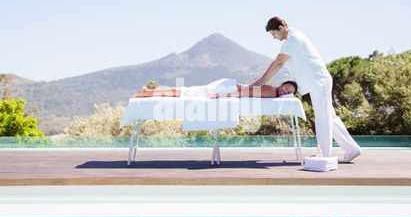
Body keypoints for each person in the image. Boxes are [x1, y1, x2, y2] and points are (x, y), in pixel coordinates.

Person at [249, 17, 362, 163]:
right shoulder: (287, 42)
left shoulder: (295, 38)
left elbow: (279, 63)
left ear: (281, 28)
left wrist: (259, 83)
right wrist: (258, 83)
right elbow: (276, 61)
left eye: (274, 34)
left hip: (319, 81)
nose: (274, 38)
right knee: (329, 117)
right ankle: (353, 150)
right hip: (316, 82)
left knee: (323, 118)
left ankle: (324, 156)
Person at [132, 80, 297, 98]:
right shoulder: (271, 92)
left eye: (289, 93)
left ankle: (148, 92)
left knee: (186, 91)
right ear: (283, 84)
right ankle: (147, 93)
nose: (286, 92)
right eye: (287, 88)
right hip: (227, 88)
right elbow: (244, 93)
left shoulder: (272, 91)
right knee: (185, 92)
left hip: (227, 86)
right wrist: (220, 95)